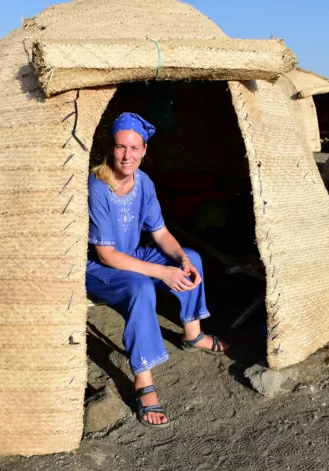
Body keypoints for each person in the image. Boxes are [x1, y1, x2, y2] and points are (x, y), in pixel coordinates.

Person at [86, 112, 229, 428]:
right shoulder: (98, 185)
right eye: (121, 147)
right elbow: (106, 254)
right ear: (111, 148)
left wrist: (181, 260)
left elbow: (161, 232)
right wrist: (160, 273)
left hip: (132, 254)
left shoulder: (144, 183)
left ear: (144, 150)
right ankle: (143, 380)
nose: (127, 155)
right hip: (97, 266)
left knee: (189, 254)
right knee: (141, 287)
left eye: (134, 148)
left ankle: (193, 334)